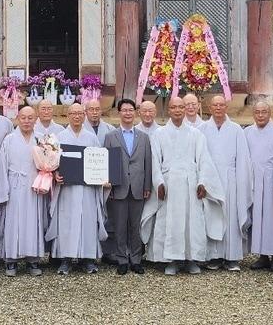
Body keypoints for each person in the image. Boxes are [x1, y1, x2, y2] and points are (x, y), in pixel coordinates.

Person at [140, 102, 224, 275]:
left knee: (192, 221)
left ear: (184, 110)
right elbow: (155, 160)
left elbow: (203, 160)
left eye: (180, 107)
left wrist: (202, 182)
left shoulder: (196, 134)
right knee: (169, 221)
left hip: (190, 184)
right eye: (174, 107)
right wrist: (159, 183)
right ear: (168, 110)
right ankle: (171, 259)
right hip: (169, 183)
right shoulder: (159, 134)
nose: (177, 110)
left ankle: (191, 258)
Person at [47, 105, 105, 274]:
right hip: (67, 189)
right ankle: (65, 259)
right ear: (68, 116)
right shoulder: (59, 137)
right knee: (66, 221)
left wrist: (101, 176)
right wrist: (55, 174)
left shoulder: (91, 137)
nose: (77, 116)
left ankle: (88, 259)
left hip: (87, 188)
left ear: (84, 115)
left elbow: (98, 160)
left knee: (87, 221)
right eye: (73, 113)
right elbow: (52, 162)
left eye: (80, 113)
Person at [199, 94, 252, 271]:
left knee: (231, 216)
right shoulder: (203, 129)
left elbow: (243, 159)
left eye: (222, 105)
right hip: (210, 179)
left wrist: (242, 182)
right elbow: (199, 157)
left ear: (226, 107)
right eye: (215, 105)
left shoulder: (236, 129)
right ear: (210, 108)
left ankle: (232, 257)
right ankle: (214, 256)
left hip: (231, 179)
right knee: (212, 215)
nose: (218, 108)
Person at [102, 98, 152, 275]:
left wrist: (147, 185)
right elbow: (107, 163)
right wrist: (110, 185)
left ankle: (136, 259)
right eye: (124, 110)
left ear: (135, 112)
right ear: (119, 113)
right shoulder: (110, 137)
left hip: (138, 186)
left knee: (136, 225)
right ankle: (122, 258)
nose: (128, 113)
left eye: (131, 110)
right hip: (119, 187)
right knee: (120, 225)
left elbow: (147, 163)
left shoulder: (144, 138)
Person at [0, 106, 48, 276]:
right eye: (23, 118)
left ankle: (33, 259)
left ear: (35, 119)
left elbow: (48, 166)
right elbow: (2, 166)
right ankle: (11, 260)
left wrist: (46, 180)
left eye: (30, 118)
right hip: (14, 185)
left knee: (33, 221)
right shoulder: (9, 140)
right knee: (13, 222)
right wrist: (4, 190)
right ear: (18, 119)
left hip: (35, 186)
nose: (26, 121)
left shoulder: (41, 140)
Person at [244, 99, 273, 272]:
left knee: (272, 219)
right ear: (253, 114)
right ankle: (262, 255)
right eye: (257, 112)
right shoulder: (247, 132)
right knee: (257, 218)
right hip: (254, 180)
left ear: (269, 113)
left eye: (264, 112)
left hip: (272, 181)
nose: (261, 115)